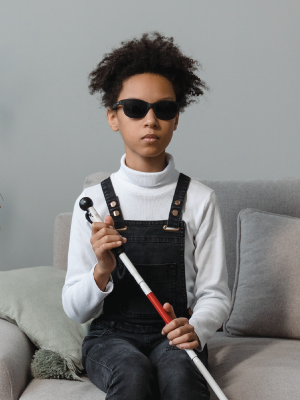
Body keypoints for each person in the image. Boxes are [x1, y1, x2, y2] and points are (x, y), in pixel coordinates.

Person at [61, 32, 230, 400]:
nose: (150, 120)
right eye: (136, 109)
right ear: (113, 117)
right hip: (111, 339)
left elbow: (215, 294)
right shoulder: (93, 203)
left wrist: (196, 329)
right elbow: (75, 309)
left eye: (164, 109)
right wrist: (102, 269)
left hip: (176, 332)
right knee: (132, 373)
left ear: (176, 118)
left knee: (181, 379)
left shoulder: (201, 200)